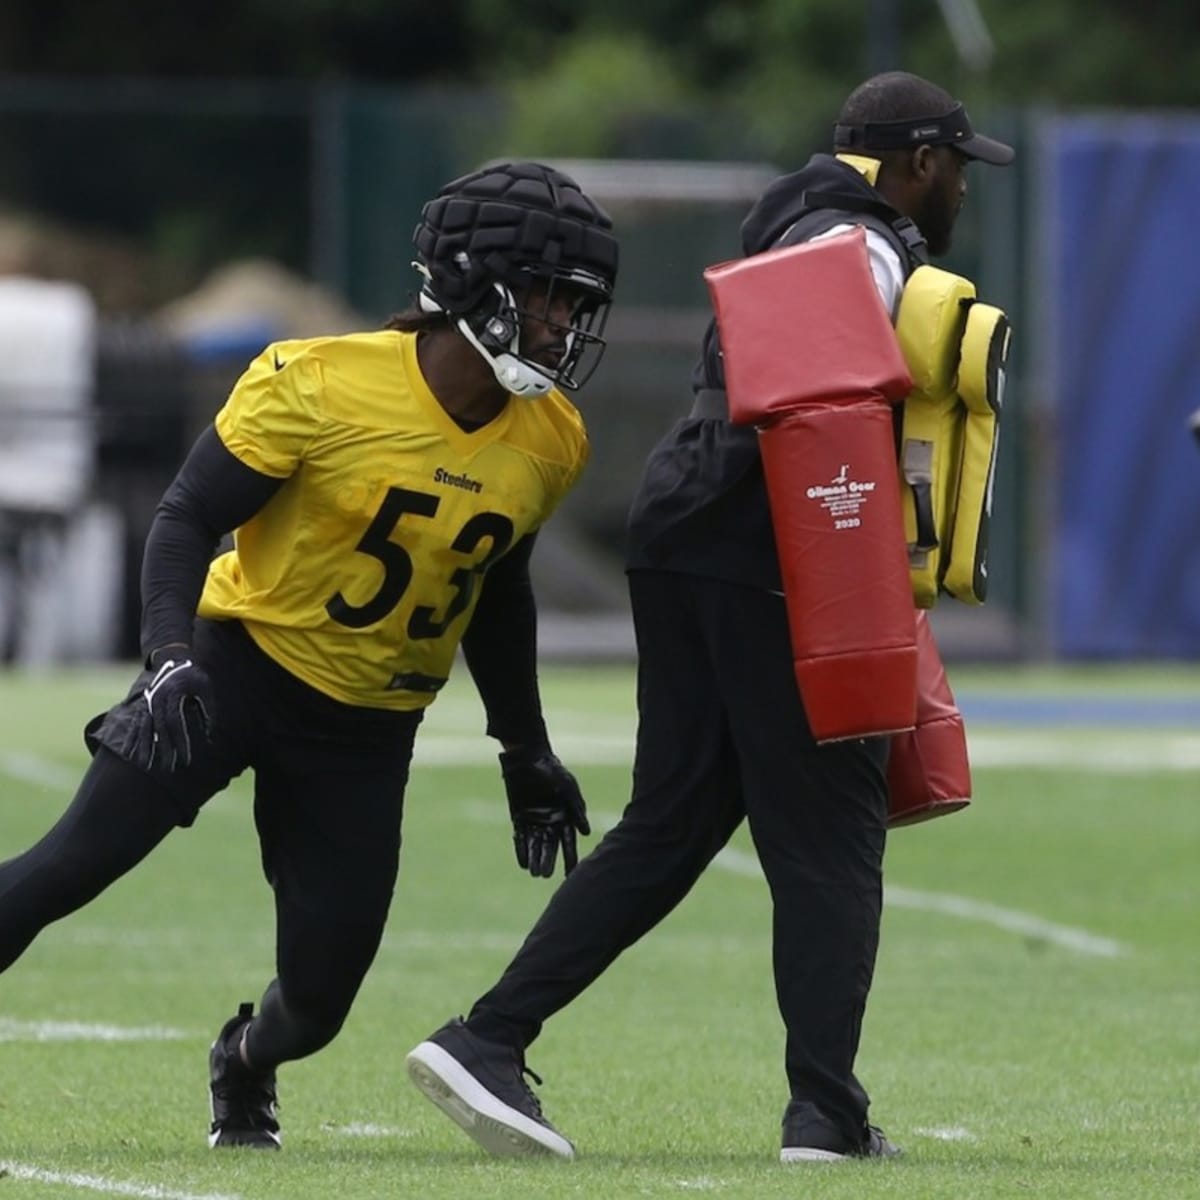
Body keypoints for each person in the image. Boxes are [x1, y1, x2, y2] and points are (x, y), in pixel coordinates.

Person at [405, 72, 1014, 1164]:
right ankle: (825, 1113)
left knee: (677, 819)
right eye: (958, 165)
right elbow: (813, 405)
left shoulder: (801, 221)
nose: (962, 187)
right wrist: (852, 574)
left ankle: (486, 1037)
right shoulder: (860, 240)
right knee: (830, 825)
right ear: (919, 162)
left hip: (688, 519)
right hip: (769, 530)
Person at [0, 160, 618, 1149]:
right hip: (234, 670)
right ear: (472, 284)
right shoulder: (321, 381)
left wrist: (524, 749)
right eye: (548, 297)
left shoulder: (551, 437)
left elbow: (497, 588)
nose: (562, 325)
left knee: (319, 1004)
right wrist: (167, 658)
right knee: (65, 870)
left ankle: (242, 1061)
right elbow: (185, 516)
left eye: (575, 304)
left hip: (368, 730)